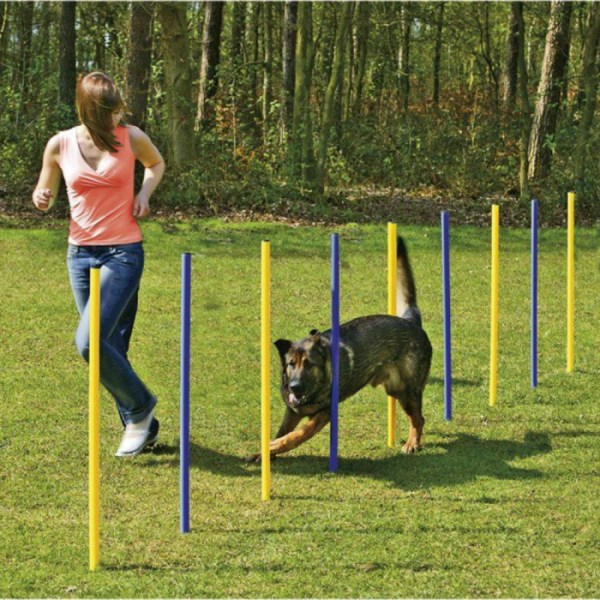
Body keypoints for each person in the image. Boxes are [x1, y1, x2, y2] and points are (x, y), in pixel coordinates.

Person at [32, 72, 165, 457]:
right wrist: (42, 197)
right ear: (89, 111)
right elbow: (45, 189)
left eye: (118, 109)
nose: (117, 117)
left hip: (123, 253)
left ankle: (139, 410)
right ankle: (145, 426)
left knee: (89, 342)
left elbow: (155, 164)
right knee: (110, 347)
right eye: (109, 111)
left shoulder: (131, 137)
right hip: (80, 255)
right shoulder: (60, 144)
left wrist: (144, 193)